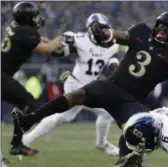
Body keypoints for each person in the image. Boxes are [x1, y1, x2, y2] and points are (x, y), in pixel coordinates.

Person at [12, 11, 168, 167]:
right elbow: (118, 36)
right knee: (75, 96)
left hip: (131, 100)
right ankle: (30, 119)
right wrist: (106, 32)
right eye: (160, 26)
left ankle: (124, 158)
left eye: (167, 30)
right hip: (111, 86)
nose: (161, 31)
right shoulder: (142, 31)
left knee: (135, 130)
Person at [21, 13, 120, 156]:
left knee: (64, 117)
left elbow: (112, 59)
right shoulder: (80, 39)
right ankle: (101, 144)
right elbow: (59, 52)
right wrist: (60, 48)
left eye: (106, 28)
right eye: (102, 28)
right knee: (105, 112)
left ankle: (27, 139)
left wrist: (115, 69)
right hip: (76, 85)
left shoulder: (111, 44)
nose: (105, 31)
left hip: (89, 86)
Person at [1, 2, 63, 157]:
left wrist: (48, 40)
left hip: (3, 75)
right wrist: (61, 39)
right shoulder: (26, 33)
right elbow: (47, 49)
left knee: (27, 106)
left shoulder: (18, 27)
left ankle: (17, 144)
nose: (37, 19)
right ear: (28, 18)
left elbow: (37, 39)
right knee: (30, 106)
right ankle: (16, 144)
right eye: (34, 16)